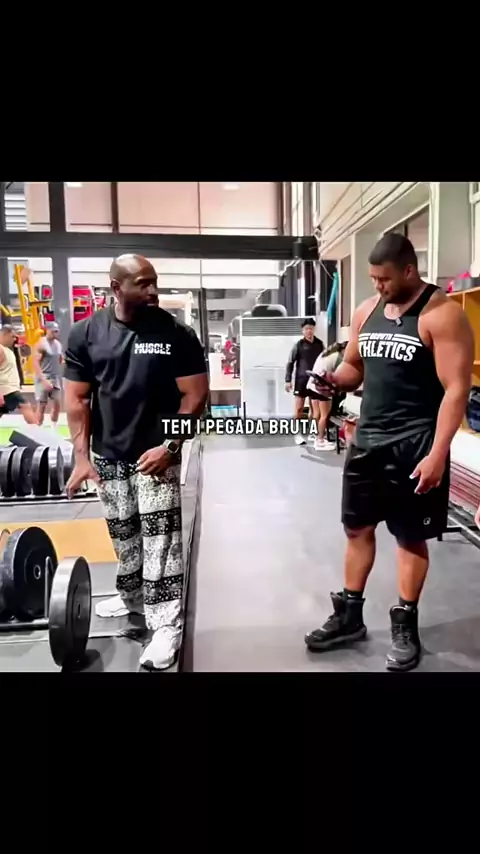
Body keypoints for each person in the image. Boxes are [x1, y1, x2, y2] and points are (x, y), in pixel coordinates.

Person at [305, 233, 473, 672]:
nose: (377, 286)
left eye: (384, 279)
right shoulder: (367, 310)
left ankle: (405, 624)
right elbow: (354, 366)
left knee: (409, 537)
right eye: (373, 279)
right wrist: (332, 381)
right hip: (368, 441)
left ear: (409, 271)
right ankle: (349, 616)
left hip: (415, 445)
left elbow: (457, 390)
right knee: (356, 528)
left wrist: (438, 453)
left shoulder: (442, 315)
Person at [63, 254, 209, 671]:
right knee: (124, 538)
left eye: (154, 282)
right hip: (109, 456)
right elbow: (77, 399)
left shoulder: (176, 333)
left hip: (156, 455)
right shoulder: (86, 333)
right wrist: (81, 458)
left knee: (161, 546)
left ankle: (165, 626)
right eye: (143, 283)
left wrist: (171, 448)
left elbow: (195, 396)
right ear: (116, 287)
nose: (152, 291)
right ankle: (131, 597)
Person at [285, 318, 324, 445]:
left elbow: (324, 360)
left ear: (314, 329)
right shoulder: (299, 345)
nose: (309, 331)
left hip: (314, 381)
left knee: (316, 411)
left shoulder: (320, 344)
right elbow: (290, 362)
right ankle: (297, 434)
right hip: (301, 380)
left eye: (311, 328)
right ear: (303, 330)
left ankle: (313, 433)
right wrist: (288, 380)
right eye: (306, 329)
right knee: (299, 409)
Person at [306, 341, 348, 451]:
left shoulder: (326, 353)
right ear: (344, 350)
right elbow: (339, 377)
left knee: (316, 414)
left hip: (312, 385)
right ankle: (320, 441)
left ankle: (316, 437)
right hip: (322, 388)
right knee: (324, 416)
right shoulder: (339, 358)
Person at [0, 325, 38, 424]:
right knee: (25, 404)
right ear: (4, 334)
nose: (14, 339)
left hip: (10, 389)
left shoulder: (8, 350)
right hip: (6, 390)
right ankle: (36, 430)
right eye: (12, 336)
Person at [33, 322, 64, 430]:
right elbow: (36, 363)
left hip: (55, 378)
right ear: (48, 330)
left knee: (57, 403)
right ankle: (38, 430)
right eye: (53, 331)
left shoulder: (58, 344)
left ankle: (53, 428)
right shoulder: (41, 344)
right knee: (42, 405)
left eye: (57, 331)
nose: (56, 333)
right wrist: (43, 380)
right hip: (43, 377)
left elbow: (60, 359)